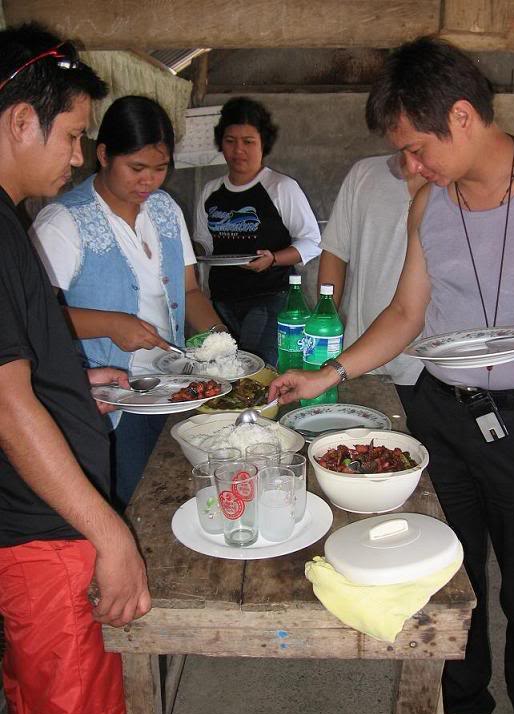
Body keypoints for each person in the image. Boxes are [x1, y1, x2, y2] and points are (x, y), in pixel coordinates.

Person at [270, 36, 514, 714]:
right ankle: (458, 703)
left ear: (461, 118)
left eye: (416, 149)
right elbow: (403, 314)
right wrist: (324, 374)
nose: (409, 167)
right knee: (442, 571)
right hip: (440, 412)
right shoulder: (432, 205)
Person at [0, 23, 151, 714]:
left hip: (44, 523)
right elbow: (6, 405)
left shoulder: (10, 221)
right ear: (20, 121)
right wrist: (111, 535)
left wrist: (71, 388)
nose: (75, 156)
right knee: (72, 711)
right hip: (42, 534)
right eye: (70, 136)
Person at [31, 95, 226, 508]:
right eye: (136, 168)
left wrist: (221, 342)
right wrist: (109, 323)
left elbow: (190, 291)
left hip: (173, 387)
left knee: (171, 495)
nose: (149, 182)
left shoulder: (165, 210)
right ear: (103, 155)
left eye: (160, 169)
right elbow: (34, 320)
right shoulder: (64, 223)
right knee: (124, 500)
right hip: (111, 401)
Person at [193, 96, 321, 367]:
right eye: (230, 141)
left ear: (264, 143)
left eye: (248, 141)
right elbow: (204, 241)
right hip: (221, 301)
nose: (238, 150)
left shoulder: (281, 187)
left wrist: (273, 258)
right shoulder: (211, 190)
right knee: (224, 371)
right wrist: (195, 252)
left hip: (269, 297)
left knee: (257, 370)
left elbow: (312, 241)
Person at [318, 153, 425, 411]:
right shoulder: (364, 173)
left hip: (429, 365)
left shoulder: (457, 183)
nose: (410, 164)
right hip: (363, 356)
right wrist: (323, 323)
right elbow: (335, 252)